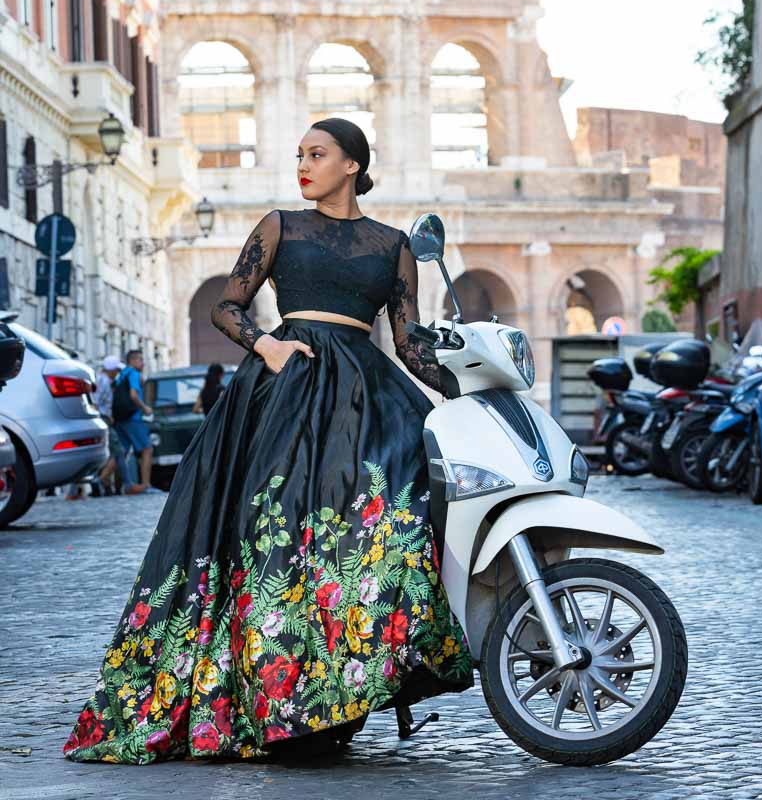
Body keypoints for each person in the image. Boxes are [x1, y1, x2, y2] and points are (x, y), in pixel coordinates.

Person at [64, 117, 472, 766]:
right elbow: (226, 307)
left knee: (377, 521)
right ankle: (276, 699)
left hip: (362, 393)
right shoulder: (281, 225)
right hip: (286, 383)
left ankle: (345, 687)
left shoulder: (393, 245)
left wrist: (466, 381)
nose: (303, 165)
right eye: (299, 155)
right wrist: (267, 344)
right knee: (273, 531)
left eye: (317, 154)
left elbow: (408, 339)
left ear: (352, 165)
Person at [113, 349, 153, 494]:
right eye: (141, 360)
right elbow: (134, 395)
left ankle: (110, 483)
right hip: (133, 418)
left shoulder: (121, 375)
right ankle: (146, 485)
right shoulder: (134, 374)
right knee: (147, 449)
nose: (143, 363)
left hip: (120, 418)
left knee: (120, 453)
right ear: (133, 361)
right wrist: (145, 408)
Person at [94, 356, 134, 496]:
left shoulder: (101, 379)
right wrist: (105, 417)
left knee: (109, 454)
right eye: (116, 370)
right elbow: (96, 402)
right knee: (119, 451)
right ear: (111, 370)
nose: (117, 373)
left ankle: (106, 484)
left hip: (103, 418)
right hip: (103, 419)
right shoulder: (103, 381)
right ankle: (126, 484)